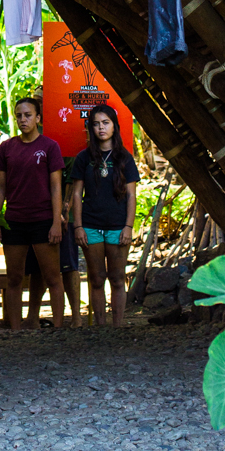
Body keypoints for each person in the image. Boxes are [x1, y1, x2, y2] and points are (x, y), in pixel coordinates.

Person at [0, 94, 64, 331]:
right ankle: (15, 330)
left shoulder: (49, 147)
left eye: (28, 115)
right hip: (14, 220)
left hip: (43, 219)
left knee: (52, 276)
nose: (23, 120)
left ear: (38, 118)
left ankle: (58, 327)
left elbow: (56, 186)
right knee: (14, 278)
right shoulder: (6, 148)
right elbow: (0, 186)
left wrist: (56, 222)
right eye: (19, 116)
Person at [71, 103, 139, 325]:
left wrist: (128, 227)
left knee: (118, 278)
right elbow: (77, 193)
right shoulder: (83, 158)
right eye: (96, 124)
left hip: (118, 226)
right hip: (90, 225)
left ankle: (117, 327)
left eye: (106, 123)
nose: (101, 128)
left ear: (114, 126)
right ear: (91, 128)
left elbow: (131, 196)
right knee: (97, 278)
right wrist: (78, 226)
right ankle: (101, 328)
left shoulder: (125, 158)